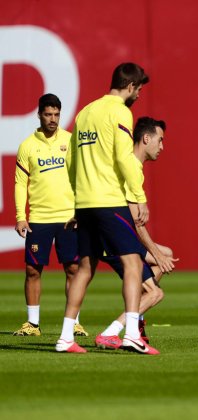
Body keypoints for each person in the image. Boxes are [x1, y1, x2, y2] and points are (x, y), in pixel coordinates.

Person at [56, 63, 158, 354]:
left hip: (85, 203)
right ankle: (131, 335)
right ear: (130, 86)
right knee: (133, 264)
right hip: (109, 200)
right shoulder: (120, 112)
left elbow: (71, 162)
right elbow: (125, 159)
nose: (138, 94)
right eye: (139, 89)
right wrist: (139, 197)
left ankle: (65, 337)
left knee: (85, 269)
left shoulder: (85, 112)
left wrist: (77, 200)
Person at [95, 117, 178, 350]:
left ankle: (137, 320)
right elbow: (136, 223)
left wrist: (159, 255)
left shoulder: (132, 166)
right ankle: (113, 331)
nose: (162, 147)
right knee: (155, 293)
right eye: (160, 141)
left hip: (115, 234)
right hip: (114, 238)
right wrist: (155, 253)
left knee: (166, 255)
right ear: (146, 138)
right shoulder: (130, 166)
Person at [12, 93, 88, 337]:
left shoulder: (70, 140)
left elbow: (81, 177)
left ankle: (74, 322)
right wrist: (20, 216)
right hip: (39, 219)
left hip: (68, 217)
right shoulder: (27, 146)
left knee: (73, 270)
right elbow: (19, 183)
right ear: (39, 114)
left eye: (56, 114)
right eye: (48, 114)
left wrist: (81, 210)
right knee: (33, 270)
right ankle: (32, 324)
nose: (53, 119)